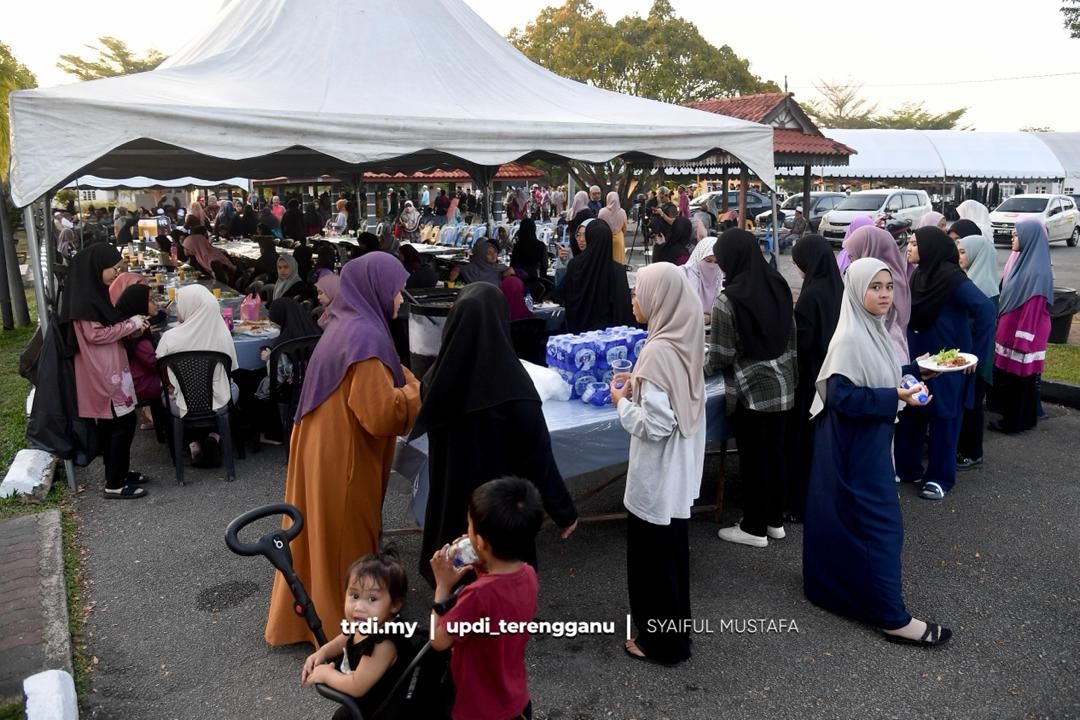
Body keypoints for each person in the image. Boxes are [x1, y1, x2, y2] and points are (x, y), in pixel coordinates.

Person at [266, 253, 421, 647]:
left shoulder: (345, 325)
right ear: (376, 289)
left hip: (322, 447)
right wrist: (416, 391)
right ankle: (342, 629)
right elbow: (382, 414)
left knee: (317, 535)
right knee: (342, 538)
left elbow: (376, 378)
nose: (400, 298)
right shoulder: (365, 338)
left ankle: (309, 617)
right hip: (344, 459)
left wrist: (400, 378)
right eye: (397, 290)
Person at [803, 258, 952, 647]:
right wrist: (896, 396)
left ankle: (831, 589)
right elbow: (841, 396)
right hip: (852, 445)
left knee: (849, 518)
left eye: (889, 286)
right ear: (856, 291)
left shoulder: (873, 330)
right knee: (881, 525)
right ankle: (892, 618)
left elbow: (878, 374)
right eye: (875, 287)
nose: (885, 294)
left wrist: (918, 371)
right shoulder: (850, 339)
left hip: (866, 440)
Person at [412, 283, 578, 586]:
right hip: (499, 518)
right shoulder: (514, 388)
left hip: (449, 508)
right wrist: (563, 511)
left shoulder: (436, 379)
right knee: (498, 598)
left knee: (453, 592)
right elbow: (539, 460)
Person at [611, 262, 705, 666]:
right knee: (671, 560)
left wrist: (622, 404)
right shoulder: (684, 337)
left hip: (657, 476)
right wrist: (641, 384)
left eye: (639, 292)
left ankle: (658, 644)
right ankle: (674, 638)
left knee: (651, 564)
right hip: (678, 475)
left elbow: (656, 425)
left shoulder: (656, 351)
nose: (634, 299)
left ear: (659, 298)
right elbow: (673, 399)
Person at [429, 477, 546, 720]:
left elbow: (438, 640)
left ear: (481, 541)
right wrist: (482, 562)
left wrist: (442, 587)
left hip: (477, 707)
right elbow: (498, 596)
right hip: (515, 700)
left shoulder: (477, 596)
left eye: (469, 526)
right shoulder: (528, 575)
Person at [708, 229, 796, 547]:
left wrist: (695, 366)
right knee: (776, 455)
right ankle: (774, 521)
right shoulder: (778, 284)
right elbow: (791, 334)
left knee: (754, 459)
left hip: (752, 392)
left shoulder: (727, 300)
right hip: (784, 385)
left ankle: (754, 528)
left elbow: (721, 356)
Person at [895, 227, 995, 500]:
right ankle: (908, 468)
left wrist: (976, 355)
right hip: (921, 358)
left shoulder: (952, 278)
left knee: (944, 417)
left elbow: (986, 309)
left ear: (930, 248)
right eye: (909, 243)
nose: (909, 248)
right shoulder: (919, 275)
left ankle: (940, 477)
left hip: (948, 363)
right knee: (913, 411)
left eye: (915, 244)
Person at [61, 244, 151, 499]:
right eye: (114, 268)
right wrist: (131, 323)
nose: (116, 273)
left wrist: (132, 328)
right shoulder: (84, 301)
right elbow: (96, 335)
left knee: (118, 424)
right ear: (97, 267)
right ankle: (114, 483)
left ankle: (118, 472)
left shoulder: (94, 295)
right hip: (103, 373)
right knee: (121, 424)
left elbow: (110, 328)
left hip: (112, 367)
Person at [301, 550, 414, 720]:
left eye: (372, 599)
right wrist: (322, 653)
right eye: (354, 596)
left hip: (382, 710)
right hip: (364, 703)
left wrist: (326, 674)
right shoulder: (367, 623)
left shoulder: (383, 643)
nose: (359, 607)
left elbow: (356, 686)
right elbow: (344, 638)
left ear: (395, 605)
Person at [786, 235, 843, 522]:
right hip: (835, 372)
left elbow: (803, 342)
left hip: (810, 377)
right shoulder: (839, 288)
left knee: (803, 442)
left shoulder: (811, 295)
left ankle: (800, 505)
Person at [155, 284, 239, 466]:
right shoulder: (223, 334)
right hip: (219, 401)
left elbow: (163, 373)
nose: (177, 309)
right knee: (232, 387)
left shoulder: (169, 337)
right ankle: (214, 436)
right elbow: (231, 370)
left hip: (182, 402)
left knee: (167, 395)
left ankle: (192, 442)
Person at [990, 219, 1053, 434]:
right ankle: (1024, 419)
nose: (1012, 238)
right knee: (1016, 380)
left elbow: (1033, 309)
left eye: (1017, 234)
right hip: (1012, 332)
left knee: (1019, 382)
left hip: (1023, 336)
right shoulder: (1022, 263)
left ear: (1029, 238)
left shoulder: (1037, 272)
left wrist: (1022, 341)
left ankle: (1013, 423)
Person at [955, 232, 999, 468]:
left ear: (977, 255)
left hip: (977, 358)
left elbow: (980, 328)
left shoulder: (982, 289)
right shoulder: (975, 280)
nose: (959, 256)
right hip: (973, 355)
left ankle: (972, 452)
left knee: (973, 405)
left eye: (963, 252)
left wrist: (973, 359)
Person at [843, 225, 910, 362]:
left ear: (869, 249)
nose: (850, 261)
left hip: (885, 355)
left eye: (853, 256)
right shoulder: (896, 276)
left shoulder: (881, 279)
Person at [563, 221, 635, 333]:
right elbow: (622, 309)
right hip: (608, 336)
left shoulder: (575, 265)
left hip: (578, 334)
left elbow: (566, 296)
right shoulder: (617, 270)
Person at [681, 236, 723, 324]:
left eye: (717, 262)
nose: (712, 265)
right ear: (699, 257)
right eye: (708, 260)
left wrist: (709, 318)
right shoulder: (683, 275)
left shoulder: (719, 279)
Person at [508, 218, 547, 286]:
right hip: (534, 280)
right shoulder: (540, 246)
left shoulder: (517, 246)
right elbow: (544, 266)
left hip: (519, 280)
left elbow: (512, 265)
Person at [597, 191, 628, 264]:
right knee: (618, 263)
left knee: (606, 262)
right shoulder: (622, 212)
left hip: (605, 239)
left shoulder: (602, 212)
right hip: (619, 239)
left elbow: (599, 227)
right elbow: (625, 228)